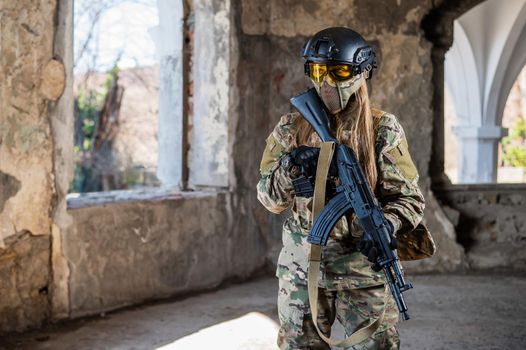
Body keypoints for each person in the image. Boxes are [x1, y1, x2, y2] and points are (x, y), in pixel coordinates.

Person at [256, 27, 435, 349]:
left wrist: (386, 224)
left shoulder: (382, 128)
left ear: (362, 72)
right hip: (302, 271)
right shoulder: (290, 127)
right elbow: (269, 200)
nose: (326, 82)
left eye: (338, 72)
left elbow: (409, 199)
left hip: (363, 272)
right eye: (317, 71)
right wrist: (291, 166)